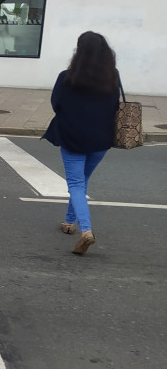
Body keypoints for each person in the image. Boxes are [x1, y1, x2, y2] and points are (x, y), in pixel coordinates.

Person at [42, 32, 120, 255]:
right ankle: (69, 222)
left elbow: (56, 104)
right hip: (101, 139)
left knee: (76, 184)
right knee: (82, 182)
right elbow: (115, 107)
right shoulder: (113, 77)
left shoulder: (66, 77)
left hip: (73, 137)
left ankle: (86, 231)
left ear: (79, 52)